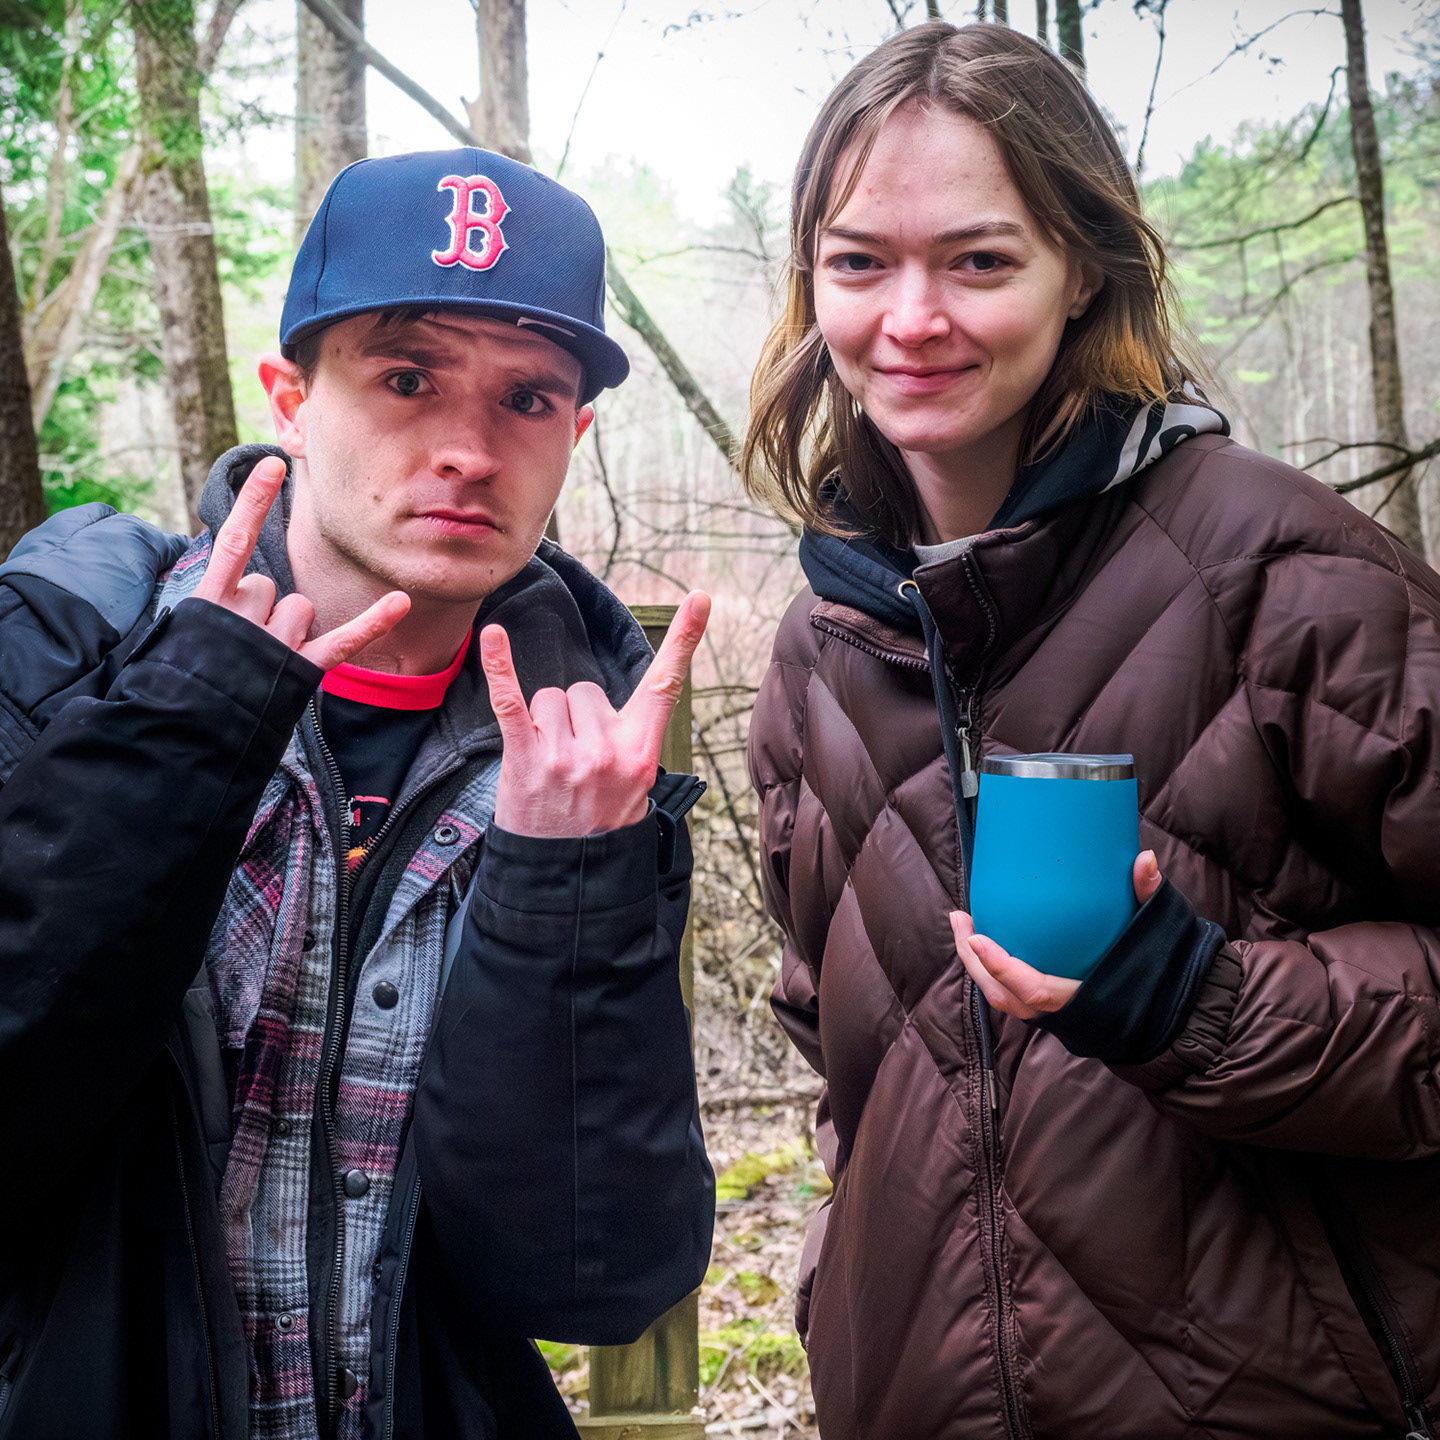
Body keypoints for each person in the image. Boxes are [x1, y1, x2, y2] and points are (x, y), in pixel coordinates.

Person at [742, 22, 1440, 1440]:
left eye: (979, 261)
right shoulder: (819, 650)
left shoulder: (1283, 577)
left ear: (1086, 270)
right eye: (859, 263)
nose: (910, 319)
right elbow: (848, 1046)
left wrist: (1201, 1006)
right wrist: (839, 1274)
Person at [0, 148, 715, 1440]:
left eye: (528, 398)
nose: (469, 451)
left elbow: (592, 1280)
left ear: (574, 438)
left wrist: (565, 883)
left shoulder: (587, 754)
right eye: (405, 379)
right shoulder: (73, 654)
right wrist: (191, 726)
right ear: (290, 398)